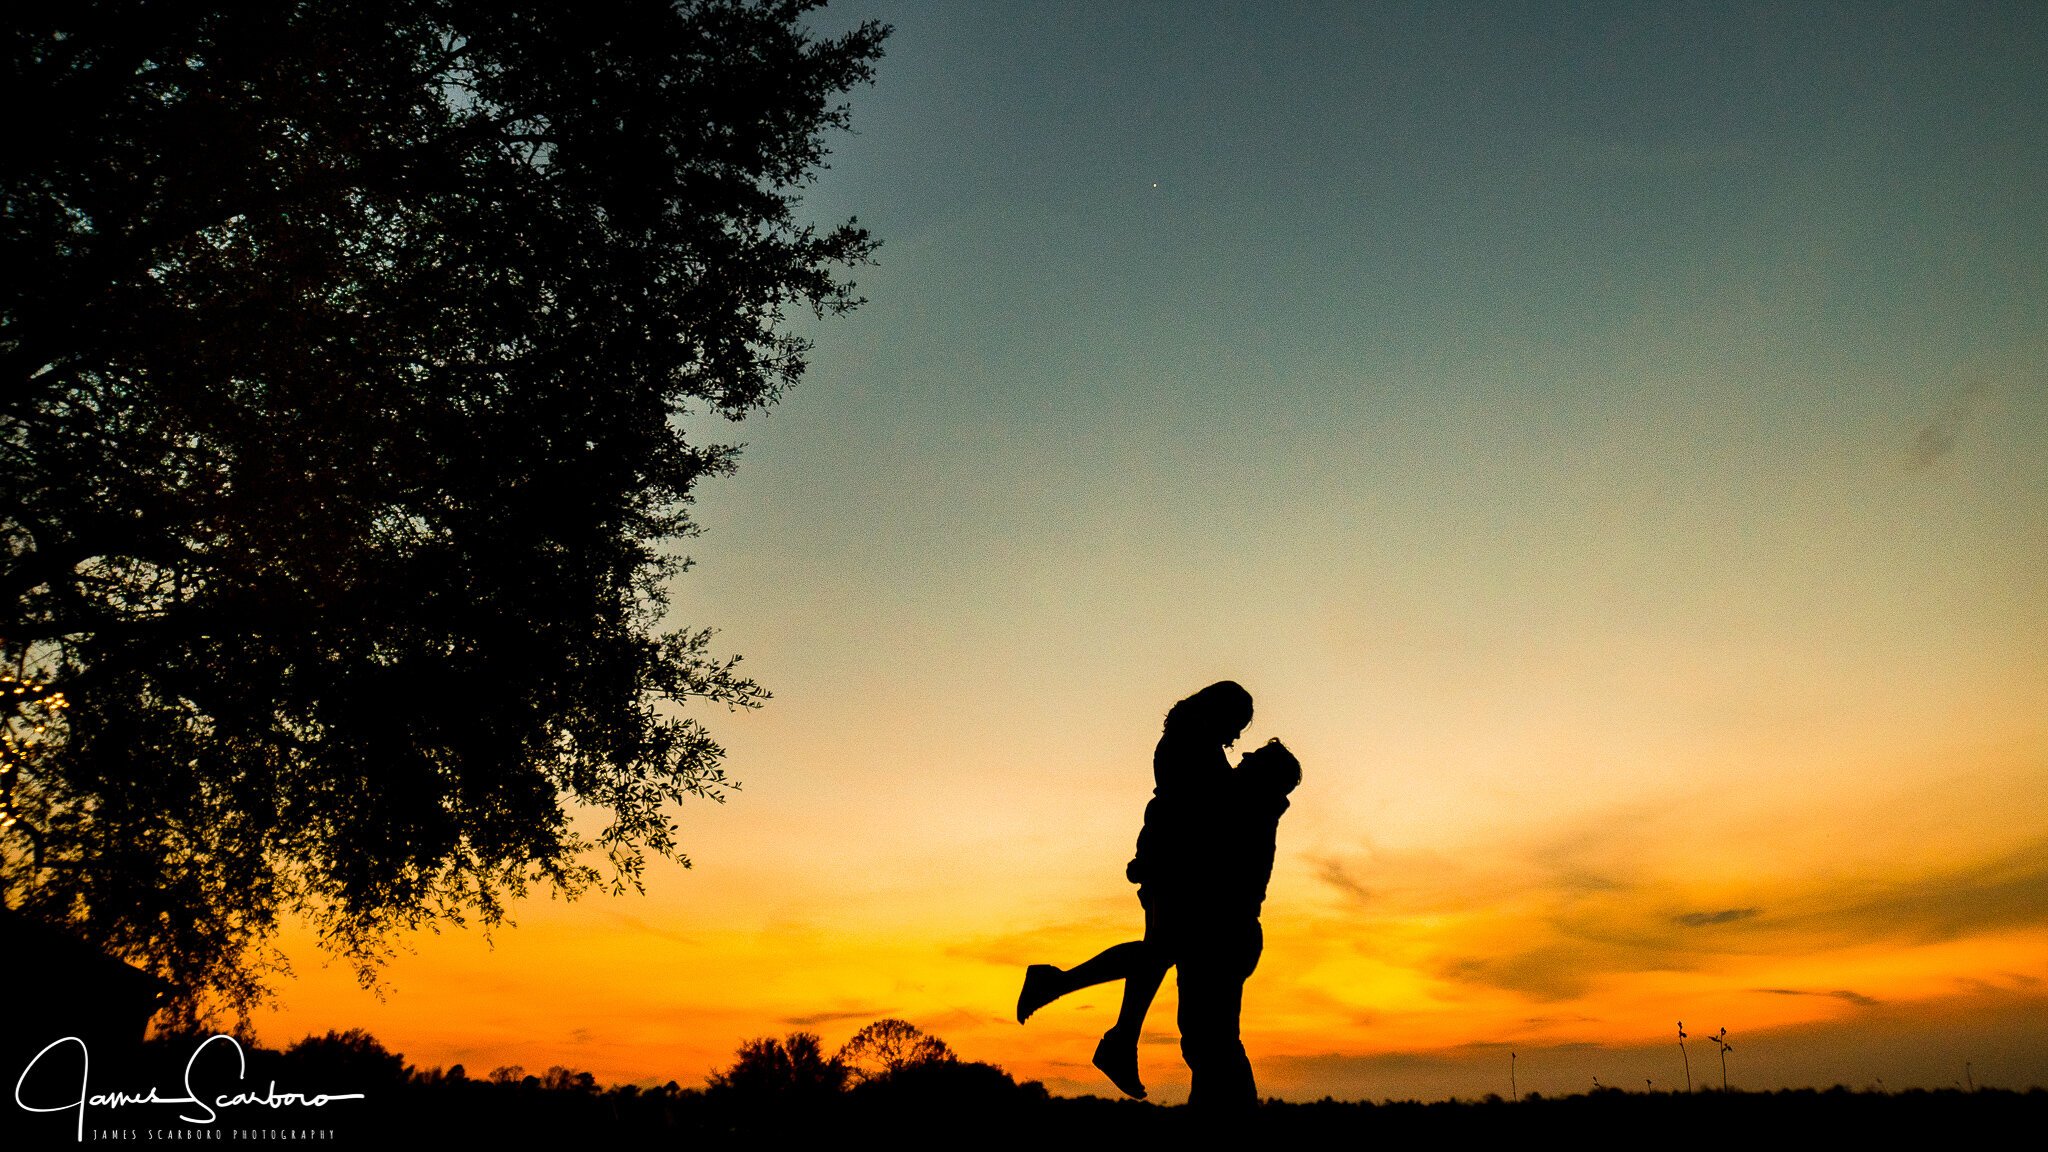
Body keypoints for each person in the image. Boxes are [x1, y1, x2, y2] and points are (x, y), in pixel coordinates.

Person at [1017, 682, 1295, 1104]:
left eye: (1249, 749)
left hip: (1205, 903)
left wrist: (1148, 856)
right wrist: (1150, 856)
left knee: (1180, 988)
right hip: (1186, 887)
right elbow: (1180, 813)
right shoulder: (1195, 747)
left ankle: (1100, 1021)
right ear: (1218, 712)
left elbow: (1189, 818)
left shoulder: (1232, 780)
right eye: (1237, 728)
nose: (1239, 744)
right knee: (1194, 1012)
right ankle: (1111, 1033)